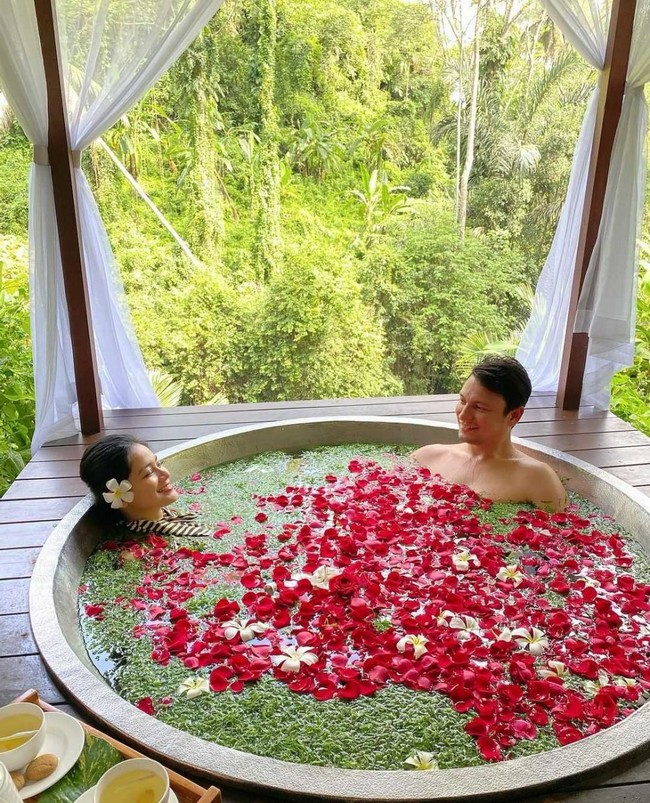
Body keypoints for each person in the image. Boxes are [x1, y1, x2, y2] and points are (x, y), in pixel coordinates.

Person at [411, 356, 567, 512]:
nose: (463, 415)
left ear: (513, 416)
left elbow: (562, 532)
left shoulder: (538, 479)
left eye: (479, 407)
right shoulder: (426, 457)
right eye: (463, 401)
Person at [79, 434, 213, 537]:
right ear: (121, 497)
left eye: (159, 464)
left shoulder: (171, 516)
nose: (165, 474)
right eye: (148, 473)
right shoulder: (136, 549)